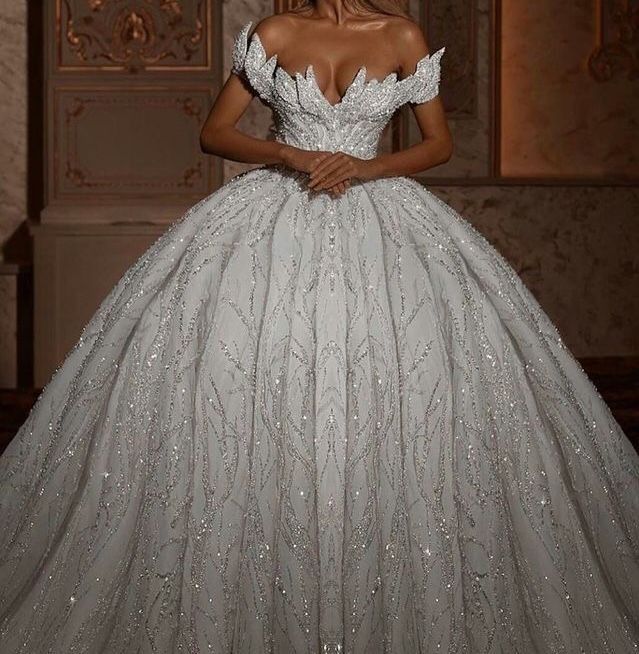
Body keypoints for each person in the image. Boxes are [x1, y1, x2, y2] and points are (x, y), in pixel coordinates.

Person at [1, 1, 638, 652]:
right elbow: (215, 132)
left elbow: (437, 143)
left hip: (379, 211)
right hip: (274, 208)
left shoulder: (400, 34)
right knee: (241, 372)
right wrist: (290, 155)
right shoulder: (275, 31)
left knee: (408, 381)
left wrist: (364, 167)